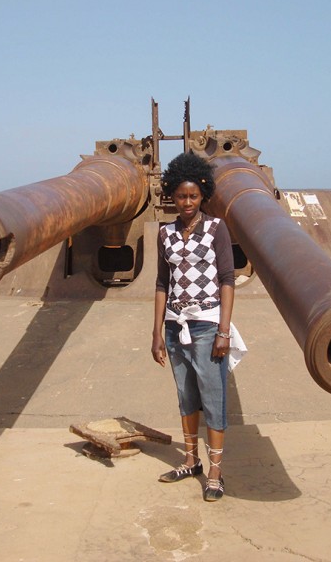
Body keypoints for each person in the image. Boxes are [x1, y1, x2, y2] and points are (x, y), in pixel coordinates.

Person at [151, 151, 235, 502]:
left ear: (203, 196)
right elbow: (161, 282)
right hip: (175, 324)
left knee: (213, 396)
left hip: (206, 323)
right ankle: (191, 461)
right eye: (180, 196)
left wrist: (224, 331)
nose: (186, 202)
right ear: (171, 195)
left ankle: (215, 471)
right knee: (186, 395)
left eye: (193, 196)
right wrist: (157, 331)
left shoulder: (216, 228)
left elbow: (228, 279)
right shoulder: (165, 234)